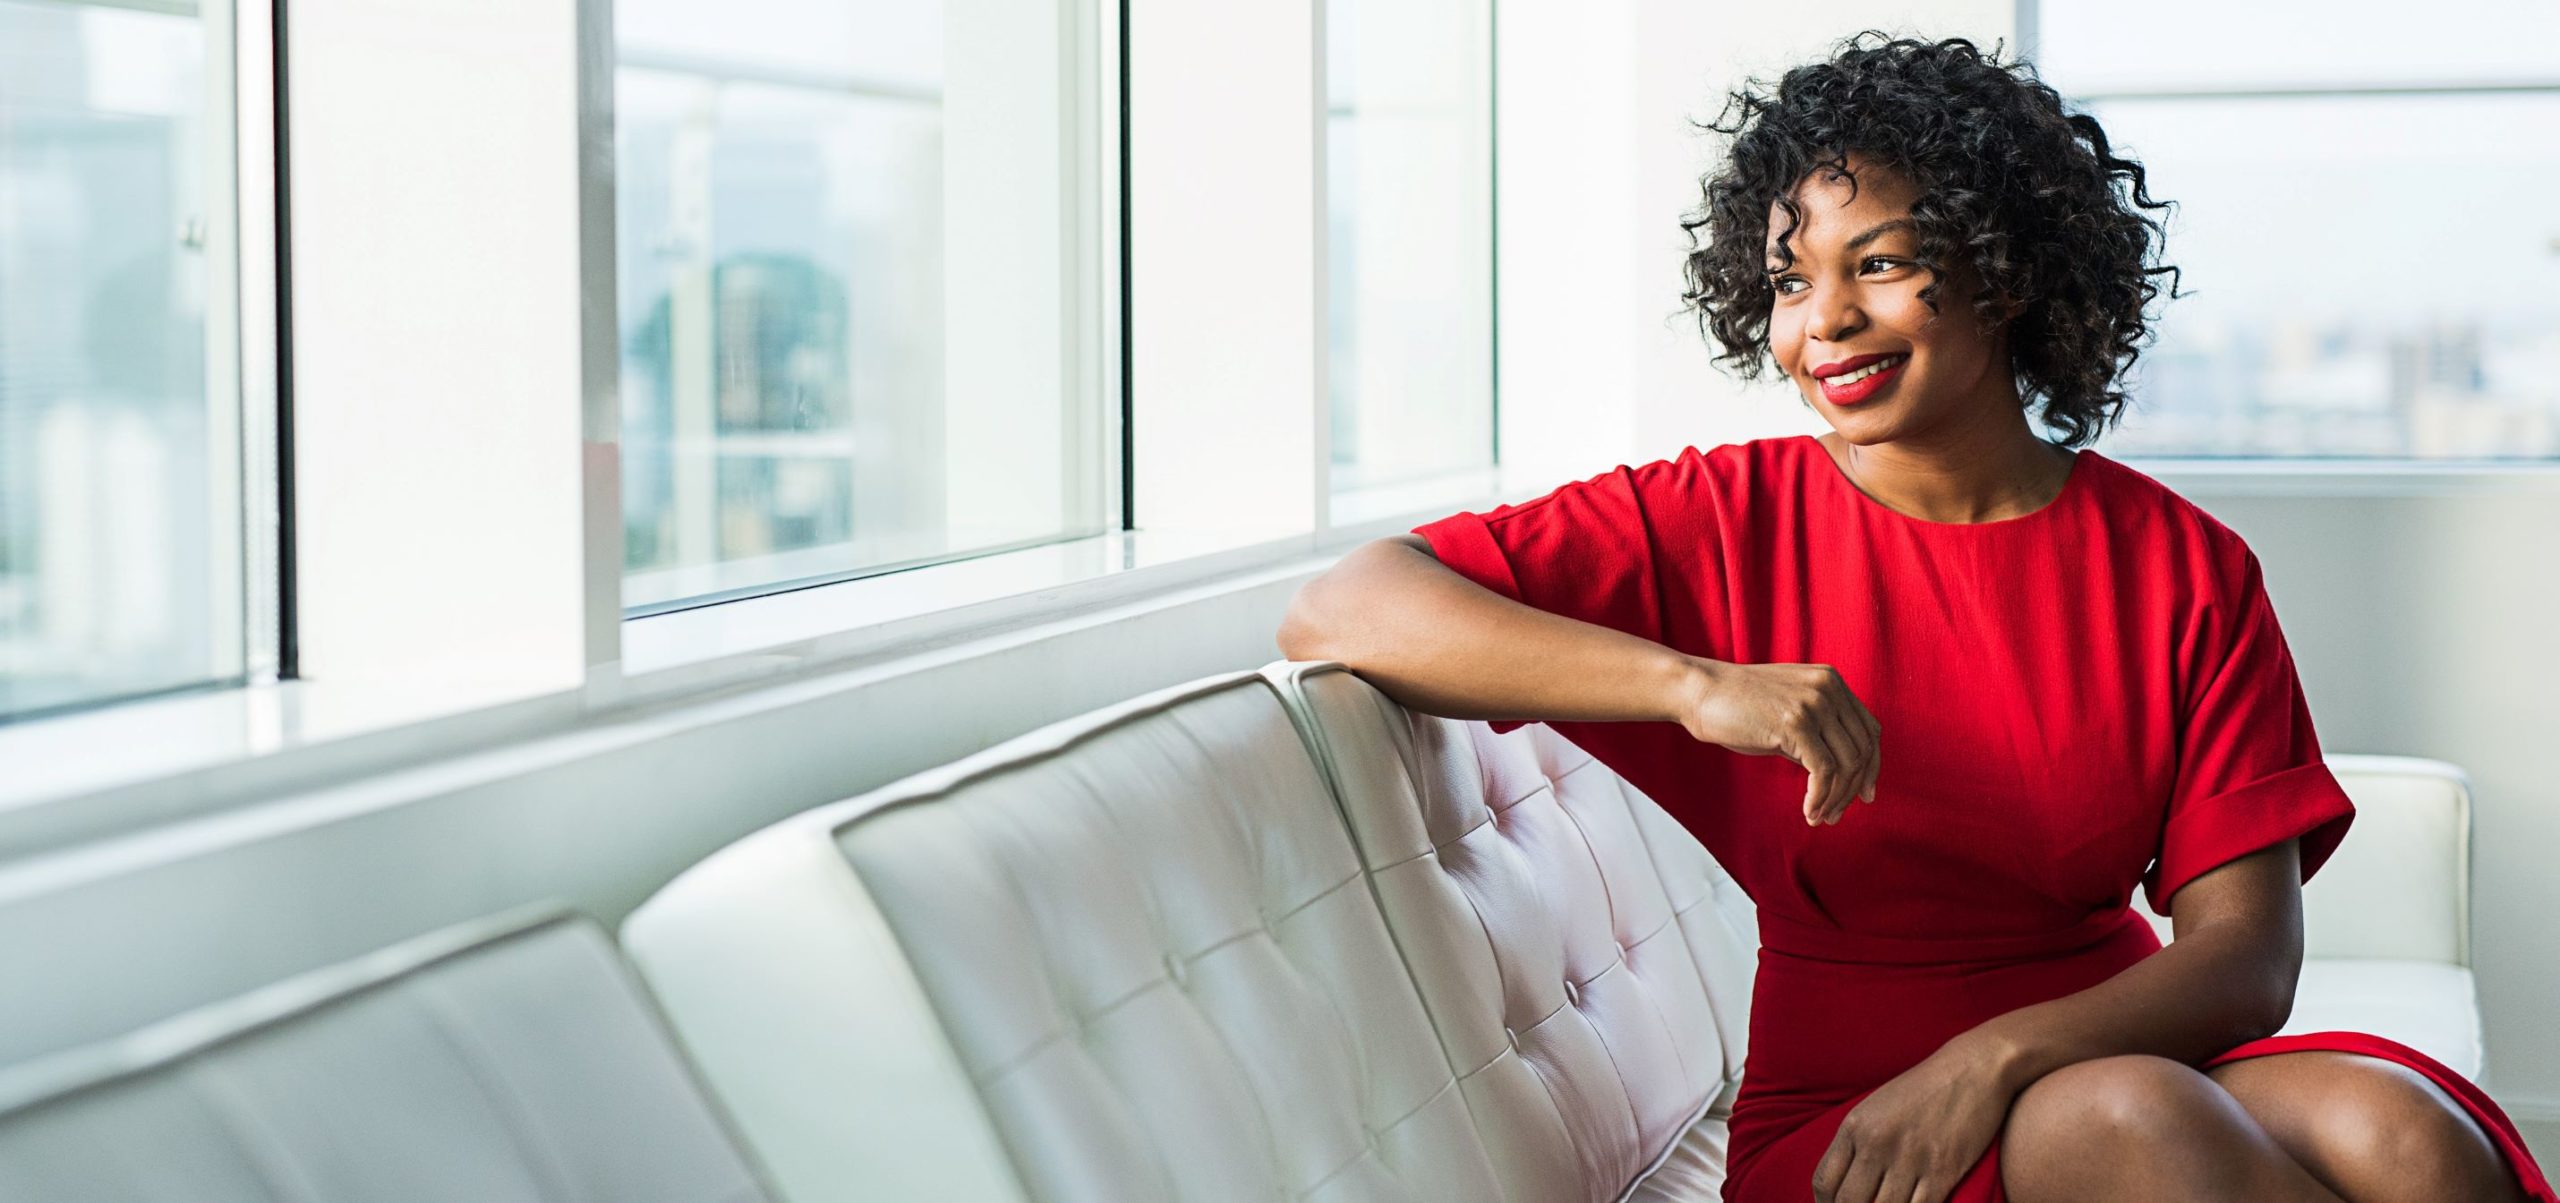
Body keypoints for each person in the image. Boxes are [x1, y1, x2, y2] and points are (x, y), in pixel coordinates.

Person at [1278, 31, 2556, 1203]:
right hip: (1857, 1118)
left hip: (2105, 1046)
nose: (1823, 322)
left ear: (2005, 272)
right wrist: (1692, 685)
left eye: (1880, 264)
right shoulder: (1719, 518)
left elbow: (2247, 962)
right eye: (1788, 281)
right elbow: (1343, 606)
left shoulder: (2181, 563)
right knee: (2128, 1118)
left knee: (2405, 1133)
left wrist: (1992, 1059)